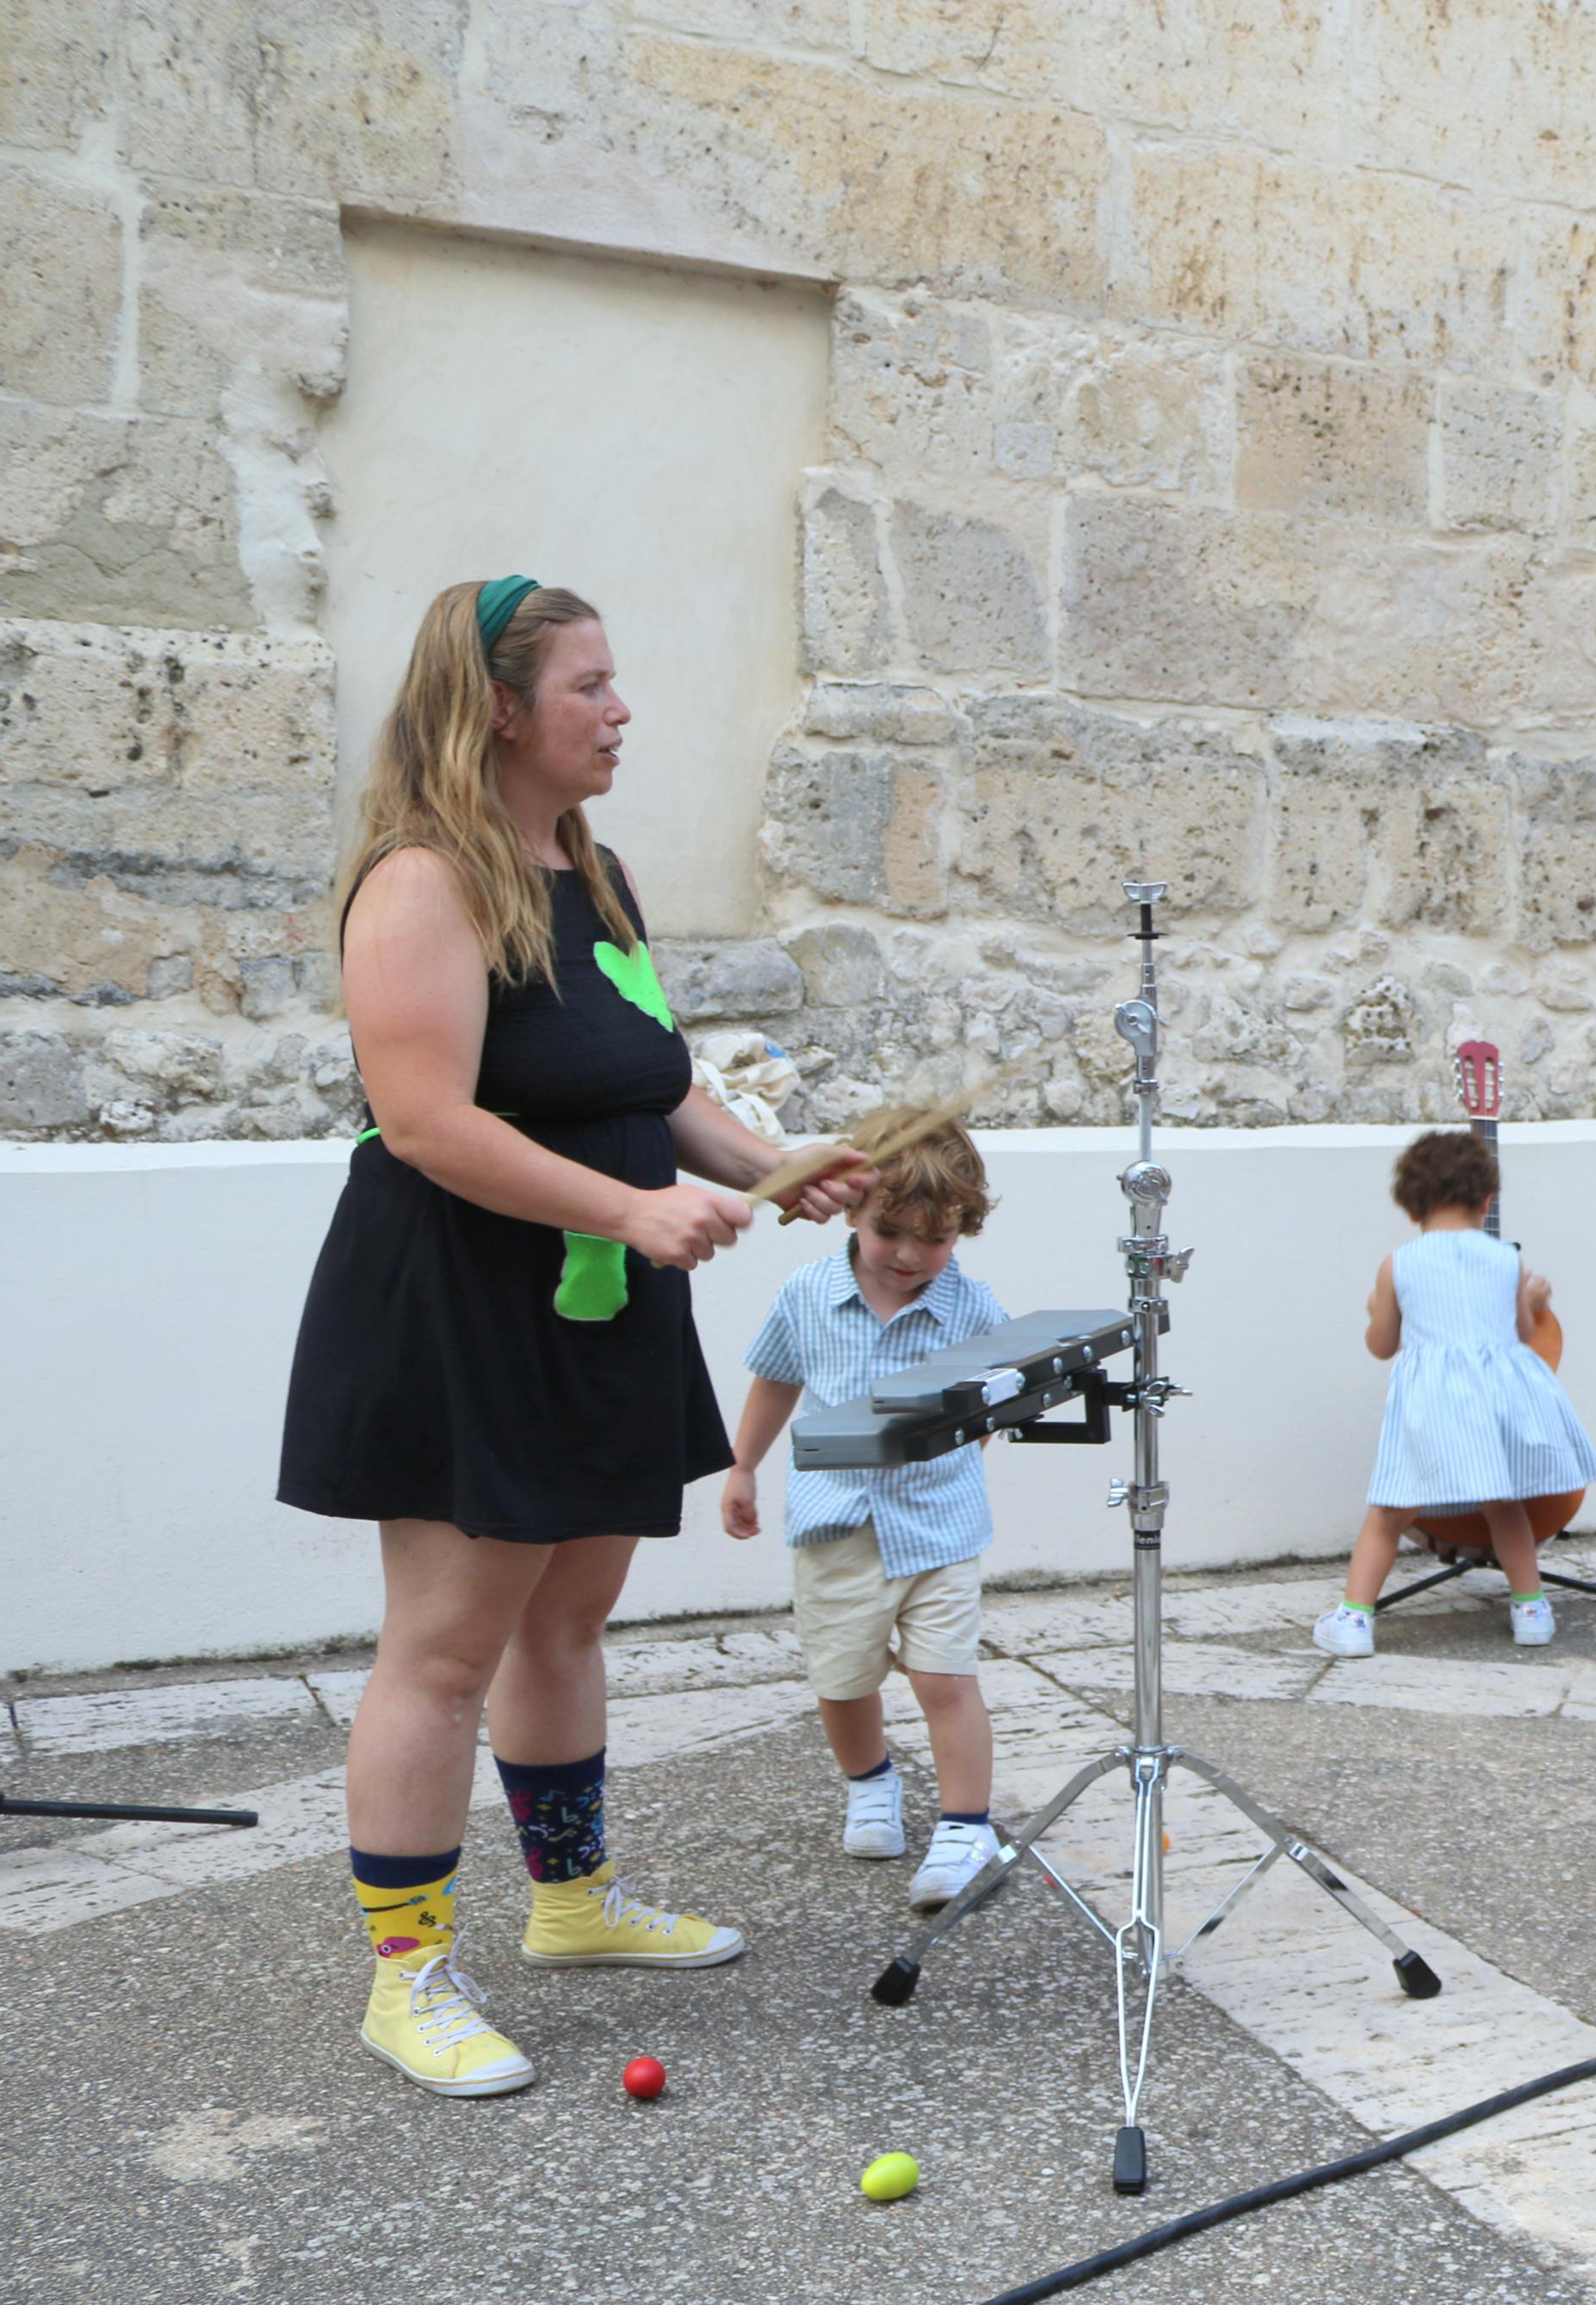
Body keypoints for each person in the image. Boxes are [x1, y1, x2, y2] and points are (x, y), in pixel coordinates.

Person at [280, 577, 864, 2098]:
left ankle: (572, 1901)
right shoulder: (423, 879)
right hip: (463, 1305)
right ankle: (407, 1979)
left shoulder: (589, 872)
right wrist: (629, 1209)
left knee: (565, 1621)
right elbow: (424, 1121)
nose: (620, 711)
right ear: (496, 708)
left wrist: (778, 1168)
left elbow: (652, 1085)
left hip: (592, 1302)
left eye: (614, 682)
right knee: (443, 1650)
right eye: (588, 686)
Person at [723, 1114, 1011, 1911]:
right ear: (850, 1208)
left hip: (938, 1528)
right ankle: (871, 1782)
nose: (910, 1255)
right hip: (835, 1524)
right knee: (843, 1679)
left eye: (936, 1239)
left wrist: (952, 1464)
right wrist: (742, 1466)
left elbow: (987, 1409)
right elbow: (776, 1378)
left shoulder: (972, 1306)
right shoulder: (808, 1293)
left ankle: (965, 1826)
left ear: (962, 1230)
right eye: (890, 1232)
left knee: (945, 1678)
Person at [1315, 1131, 1596, 1658]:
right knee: (1505, 1504)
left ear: (1411, 1208)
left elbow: (1382, 1346)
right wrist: (1533, 1298)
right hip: (1501, 1399)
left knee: (1390, 1510)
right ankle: (1532, 1610)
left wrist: (1374, 1308)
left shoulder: (1399, 1263)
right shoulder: (1507, 1261)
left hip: (1434, 1403)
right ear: (1487, 1201)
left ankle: (1354, 1620)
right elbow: (1521, 1333)